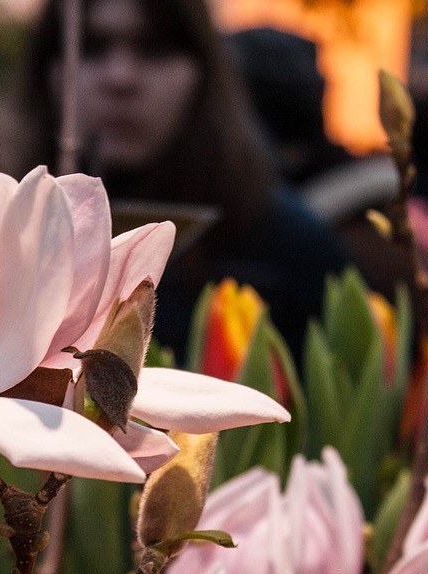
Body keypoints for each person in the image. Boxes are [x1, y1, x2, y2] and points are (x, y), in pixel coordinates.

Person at [21, 0, 352, 365]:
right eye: (92, 48)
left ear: (203, 70)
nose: (120, 78)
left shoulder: (288, 248)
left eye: (155, 49)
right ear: (45, 70)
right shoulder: (8, 229)